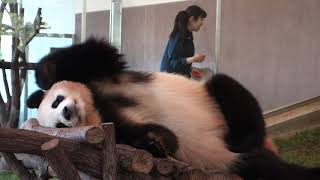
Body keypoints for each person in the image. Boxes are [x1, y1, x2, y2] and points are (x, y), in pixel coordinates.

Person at [160, 5, 207, 78]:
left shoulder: (189, 36)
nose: (202, 23)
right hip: (169, 79)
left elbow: (183, 60)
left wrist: (191, 70)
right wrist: (193, 59)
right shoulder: (178, 36)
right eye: (201, 19)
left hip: (180, 77)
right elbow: (173, 63)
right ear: (192, 19)